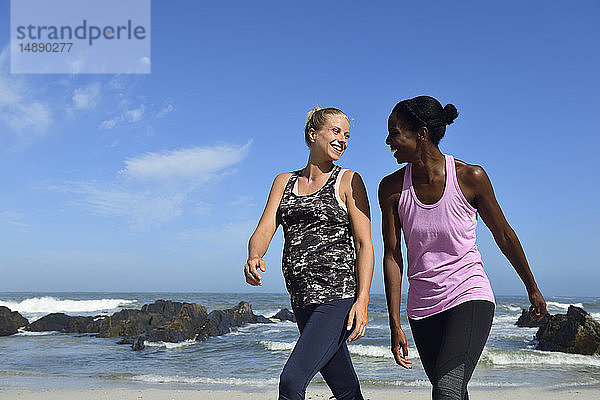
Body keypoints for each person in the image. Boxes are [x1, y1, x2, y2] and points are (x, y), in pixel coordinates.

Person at [378, 96, 547, 400]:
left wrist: (532, 288)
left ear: (421, 133)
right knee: (452, 391)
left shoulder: (471, 178)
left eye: (395, 132)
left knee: (447, 391)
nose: (388, 140)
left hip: (468, 293)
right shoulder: (390, 189)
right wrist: (395, 323)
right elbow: (392, 256)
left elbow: (504, 235)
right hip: (422, 307)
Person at [244, 107, 374, 400]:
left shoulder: (349, 181)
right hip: (301, 298)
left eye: (347, 135)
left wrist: (362, 301)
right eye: (336, 131)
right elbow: (265, 229)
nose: (343, 139)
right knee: (344, 387)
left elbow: (365, 244)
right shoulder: (283, 181)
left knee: (291, 381)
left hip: (338, 297)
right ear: (313, 134)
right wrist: (254, 255)